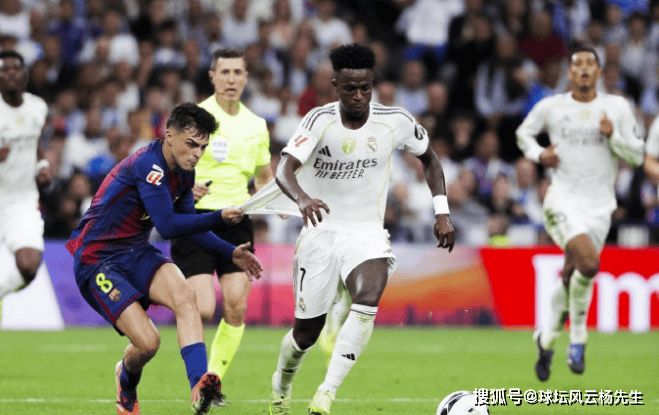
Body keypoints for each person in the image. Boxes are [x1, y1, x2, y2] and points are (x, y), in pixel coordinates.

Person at [263, 43, 455, 415]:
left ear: (372, 84)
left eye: (365, 87)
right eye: (350, 88)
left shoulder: (394, 120)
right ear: (335, 86)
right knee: (305, 335)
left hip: (367, 232)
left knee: (368, 298)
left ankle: (326, 394)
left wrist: (442, 212)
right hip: (321, 231)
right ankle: (281, 388)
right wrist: (302, 199)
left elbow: (429, 159)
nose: (358, 96)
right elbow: (285, 168)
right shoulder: (318, 121)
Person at [65, 103, 263, 415]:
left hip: (136, 251)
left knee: (187, 297)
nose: (197, 154)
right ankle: (125, 379)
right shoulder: (149, 165)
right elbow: (168, 226)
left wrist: (230, 251)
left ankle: (199, 384)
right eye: (191, 144)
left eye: (203, 147)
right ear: (169, 135)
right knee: (148, 343)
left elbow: (190, 227)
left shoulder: (184, 173)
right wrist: (219, 216)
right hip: (97, 259)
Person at [516, 47, 644, 382]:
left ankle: (545, 340)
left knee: (573, 273)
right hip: (562, 200)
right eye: (578, 64)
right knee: (588, 264)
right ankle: (578, 338)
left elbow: (636, 156)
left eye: (590, 64)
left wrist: (613, 136)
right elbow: (523, 134)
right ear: (569, 73)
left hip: (600, 207)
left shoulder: (617, 107)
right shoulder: (552, 107)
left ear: (599, 73)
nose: (584, 69)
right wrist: (540, 155)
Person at [170, 47, 274, 405]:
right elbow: (167, 164)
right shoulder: (194, 118)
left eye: (237, 72)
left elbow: (264, 176)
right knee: (201, 308)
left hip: (236, 221)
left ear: (246, 78)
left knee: (235, 307)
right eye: (224, 72)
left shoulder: (257, 125)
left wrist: (271, 199)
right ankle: (198, 377)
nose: (231, 79)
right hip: (196, 219)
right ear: (212, 76)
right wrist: (184, 188)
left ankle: (209, 382)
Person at [0, 50, 51, 320]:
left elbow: (36, 143)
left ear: (24, 75)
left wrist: (42, 166)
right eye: (4, 69)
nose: (10, 73)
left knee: (29, 266)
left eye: (15, 68)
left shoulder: (37, 107)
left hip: (22, 200)